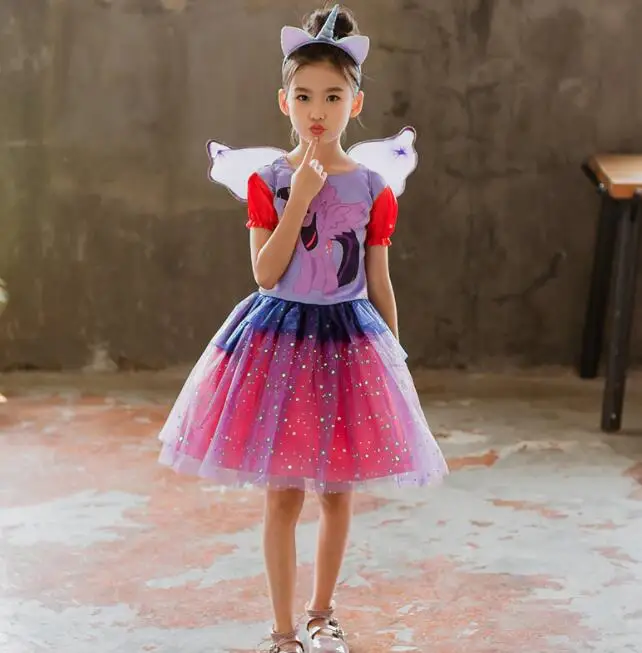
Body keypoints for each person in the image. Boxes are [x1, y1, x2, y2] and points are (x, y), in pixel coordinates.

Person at [158, 5, 448, 652]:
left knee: (337, 493)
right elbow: (266, 273)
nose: (318, 110)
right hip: (279, 342)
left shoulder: (373, 187)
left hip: (349, 342)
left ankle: (322, 615)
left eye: (333, 96)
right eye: (305, 95)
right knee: (283, 494)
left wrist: (394, 358)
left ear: (356, 103)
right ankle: (283, 630)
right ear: (284, 101)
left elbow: (378, 279)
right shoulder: (269, 181)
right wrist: (303, 199)